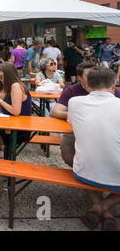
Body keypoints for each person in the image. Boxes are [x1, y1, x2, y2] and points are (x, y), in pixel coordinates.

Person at [67, 66, 120, 231]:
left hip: (83, 173)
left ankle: (98, 208)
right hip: (115, 177)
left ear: (87, 84)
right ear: (114, 84)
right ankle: (105, 207)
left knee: (86, 160)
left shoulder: (74, 102)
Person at [51, 61, 120, 167]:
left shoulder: (111, 91)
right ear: (80, 78)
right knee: (68, 145)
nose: (94, 78)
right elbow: (56, 111)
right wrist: (80, 115)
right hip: (78, 130)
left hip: (105, 129)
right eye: (89, 76)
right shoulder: (73, 92)